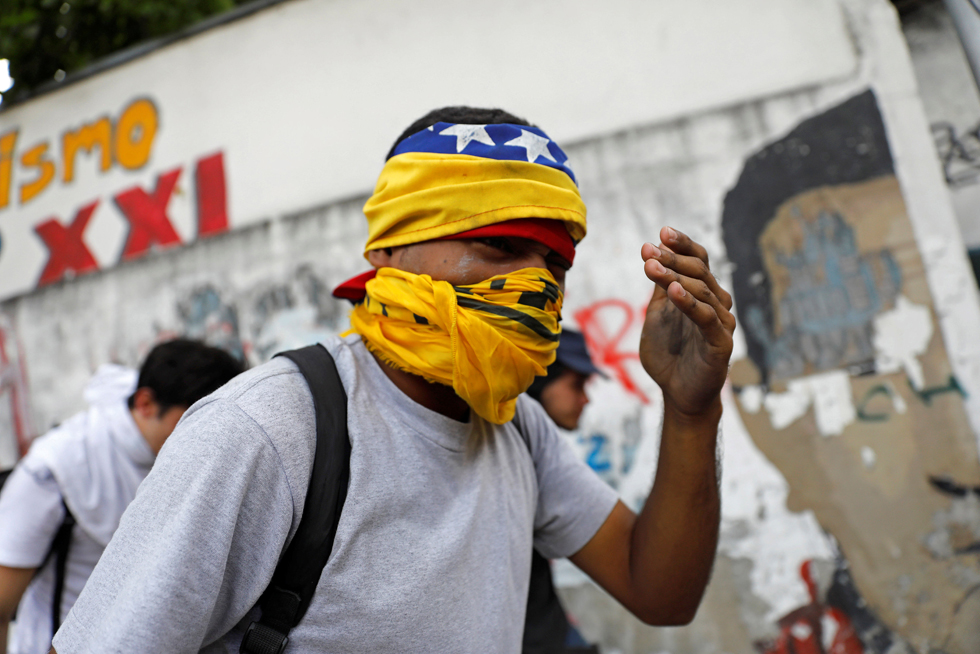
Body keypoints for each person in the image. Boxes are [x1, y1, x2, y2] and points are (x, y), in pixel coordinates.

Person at [51, 106, 736, 654]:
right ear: (387, 245)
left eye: (554, 264)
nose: (533, 285)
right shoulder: (268, 430)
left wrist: (690, 409)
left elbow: (661, 593)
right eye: (498, 244)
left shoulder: (516, 429)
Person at [0, 339, 243, 654]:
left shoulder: (196, 461)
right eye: (191, 421)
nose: (206, 436)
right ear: (145, 404)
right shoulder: (57, 468)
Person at [524, 328, 605, 654]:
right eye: (576, 385)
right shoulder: (508, 450)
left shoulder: (540, 450)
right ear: (541, 379)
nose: (585, 399)